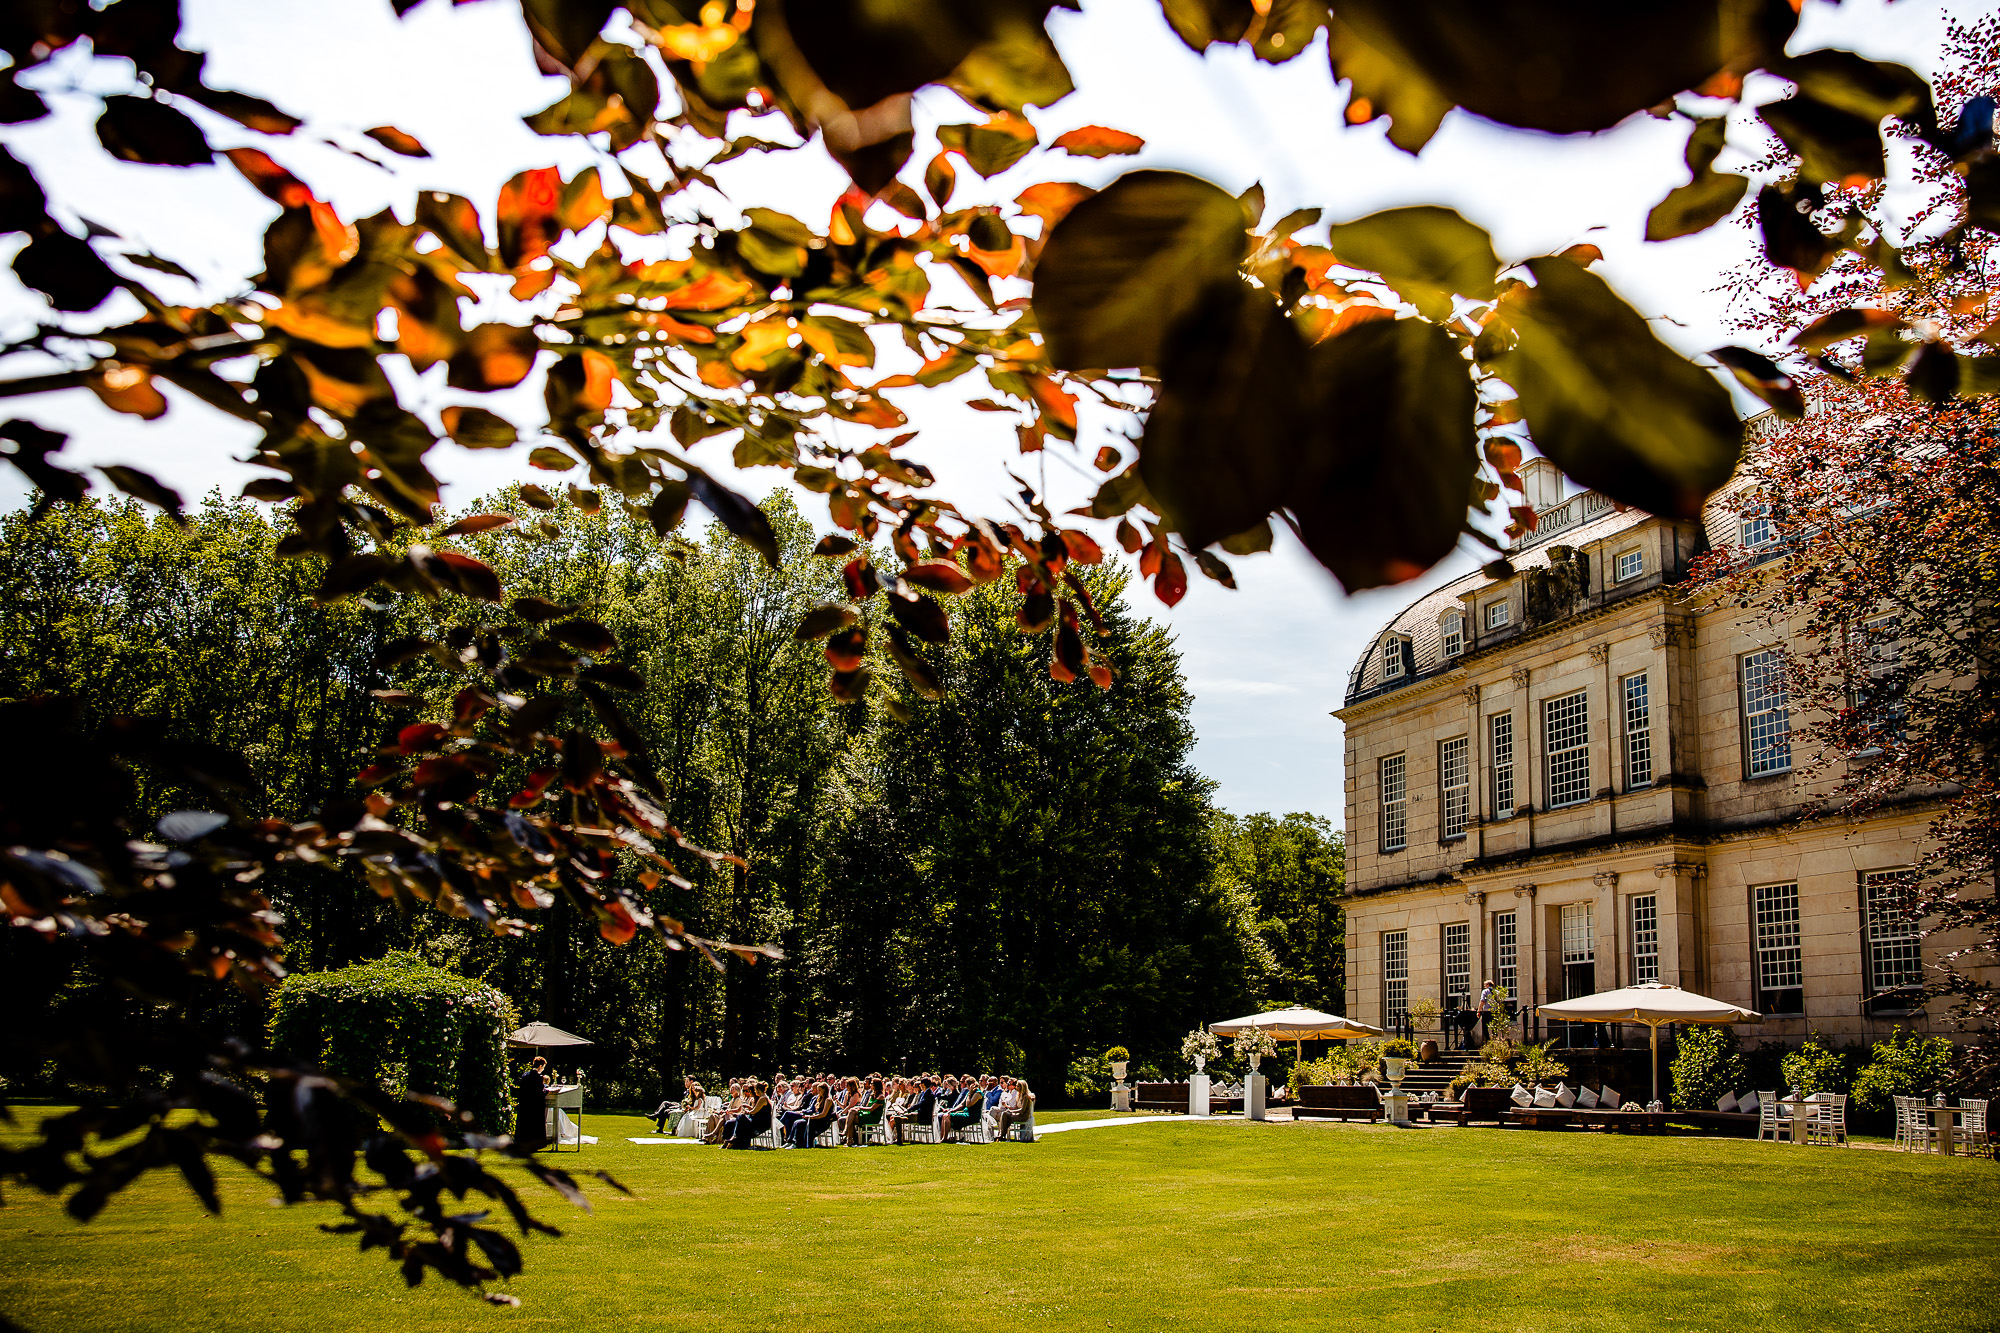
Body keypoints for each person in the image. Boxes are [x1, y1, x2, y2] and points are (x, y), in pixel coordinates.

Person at [515, 1056, 549, 1152]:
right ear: (541, 1066)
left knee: (524, 1125)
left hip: (525, 1105)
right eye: (543, 1067)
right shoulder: (538, 1078)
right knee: (534, 1125)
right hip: (534, 1106)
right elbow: (540, 1093)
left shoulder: (525, 1075)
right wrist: (546, 1090)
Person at [726, 1080, 772, 1149]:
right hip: (757, 1120)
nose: (755, 1091)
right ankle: (729, 1142)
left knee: (741, 1117)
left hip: (761, 1123)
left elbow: (754, 1111)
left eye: (755, 1090)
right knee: (730, 1123)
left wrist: (747, 1112)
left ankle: (736, 1138)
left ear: (758, 1089)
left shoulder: (763, 1099)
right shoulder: (762, 1098)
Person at [1477, 979, 1495, 1046]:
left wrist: (1479, 1010)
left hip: (1487, 1011)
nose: (1484, 986)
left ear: (1488, 985)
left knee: (1484, 1027)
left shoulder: (1485, 991)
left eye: (1485, 985)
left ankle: (1488, 1040)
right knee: (1494, 1027)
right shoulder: (1496, 992)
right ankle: (1494, 1040)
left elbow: (1482, 1001)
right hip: (1494, 1012)